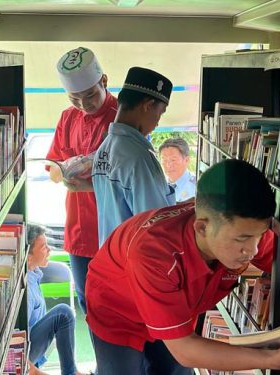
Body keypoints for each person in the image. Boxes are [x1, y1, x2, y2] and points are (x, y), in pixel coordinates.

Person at [85, 159, 280, 374]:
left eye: (260, 236)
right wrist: (270, 359)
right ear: (202, 227)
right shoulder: (155, 254)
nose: (254, 250)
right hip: (117, 312)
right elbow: (186, 350)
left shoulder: (243, 227)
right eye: (243, 240)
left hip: (177, 313)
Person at [46, 47, 118, 314]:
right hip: (79, 229)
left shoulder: (123, 117)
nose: (84, 105)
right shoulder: (68, 117)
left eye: (90, 95)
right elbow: (52, 166)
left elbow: (133, 179)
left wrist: (90, 183)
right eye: (75, 98)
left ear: (104, 81)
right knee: (87, 301)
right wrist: (63, 174)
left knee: (118, 304)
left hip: (114, 228)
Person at [92, 66, 176, 246]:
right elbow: (155, 228)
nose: (158, 123)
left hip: (111, 260)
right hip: (136, 264)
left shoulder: (103, 150)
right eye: (160, 113)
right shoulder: (139, 157)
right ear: (148, 106)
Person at [26, 224, 89, 375]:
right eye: (44, 247)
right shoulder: (26, 290)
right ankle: (70, 372)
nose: (49, 250)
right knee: (63, 313)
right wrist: (35, 372)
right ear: (28, 257)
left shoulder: (34, 272)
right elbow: (13, 344)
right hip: (23, 356)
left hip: (33, 344)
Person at [159, 137, 197, 202]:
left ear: (186, 160)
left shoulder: (197, 187)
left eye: (173, 160)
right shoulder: (159, 187)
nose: (168, 165)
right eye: (164, 160)